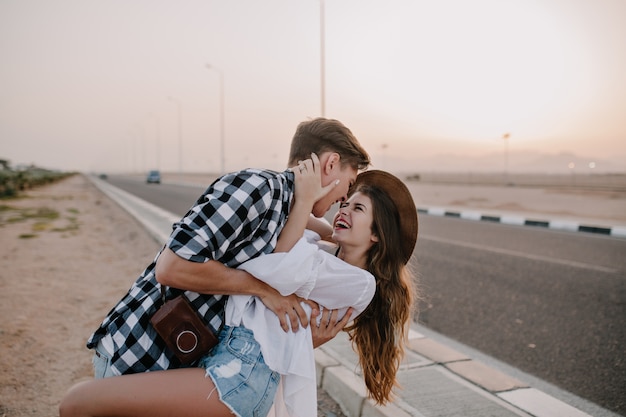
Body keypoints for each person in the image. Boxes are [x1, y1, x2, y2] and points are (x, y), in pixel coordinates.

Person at [59, 167, 419, 417]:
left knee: (79, 402)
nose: (344, 209)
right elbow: (295, 239)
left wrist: (304, 200)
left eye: (358, 208)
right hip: (228, 359)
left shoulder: (359, 284)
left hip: (242, 374)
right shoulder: (321, 253)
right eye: (346, 201)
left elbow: (276, 261)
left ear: (377, 234)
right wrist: (306, 200)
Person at [83, 117, 371, 379]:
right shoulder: (260, 188)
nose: (345, 196)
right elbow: (172, 267)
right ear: (331, 164)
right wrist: (264, 289)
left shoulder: (286, 209)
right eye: (348, 183)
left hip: (170, 362)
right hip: (138, 355)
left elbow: (307, 227)